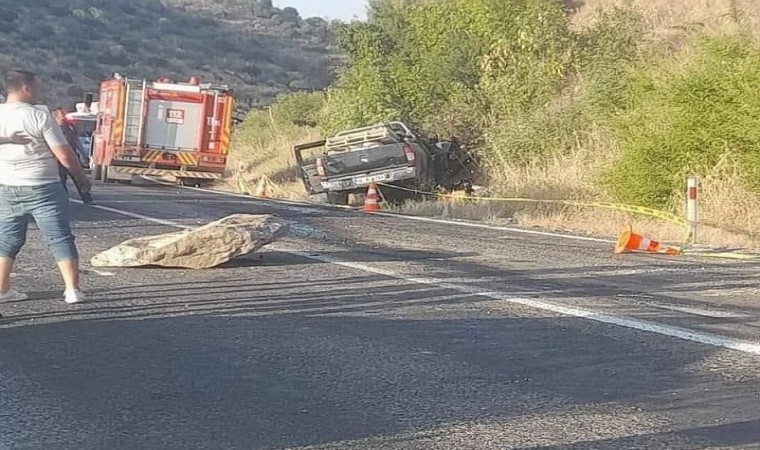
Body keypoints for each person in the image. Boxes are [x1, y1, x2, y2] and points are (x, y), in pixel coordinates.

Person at [0, 69, 91, 304]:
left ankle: (2, 289)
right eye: (36, 87)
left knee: (7, 240)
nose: (38, 91)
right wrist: (81, 178)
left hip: (8, 185)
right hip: (43, 187)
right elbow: (65, 155)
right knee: (59, 238)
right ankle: (72, 290)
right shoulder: (39, 116)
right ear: (26, 88)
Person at [52, 107, 92, 203]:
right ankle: (62, 198)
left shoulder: (70, 127)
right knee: (61, 179)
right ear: (56, 116)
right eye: (62, 114)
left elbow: (76, 141)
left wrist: (84, 154)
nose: (64, 116)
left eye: (64, 113)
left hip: (72, 157)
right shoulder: (52, 128)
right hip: (58, 158)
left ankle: (86, 197)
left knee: (78, 178)